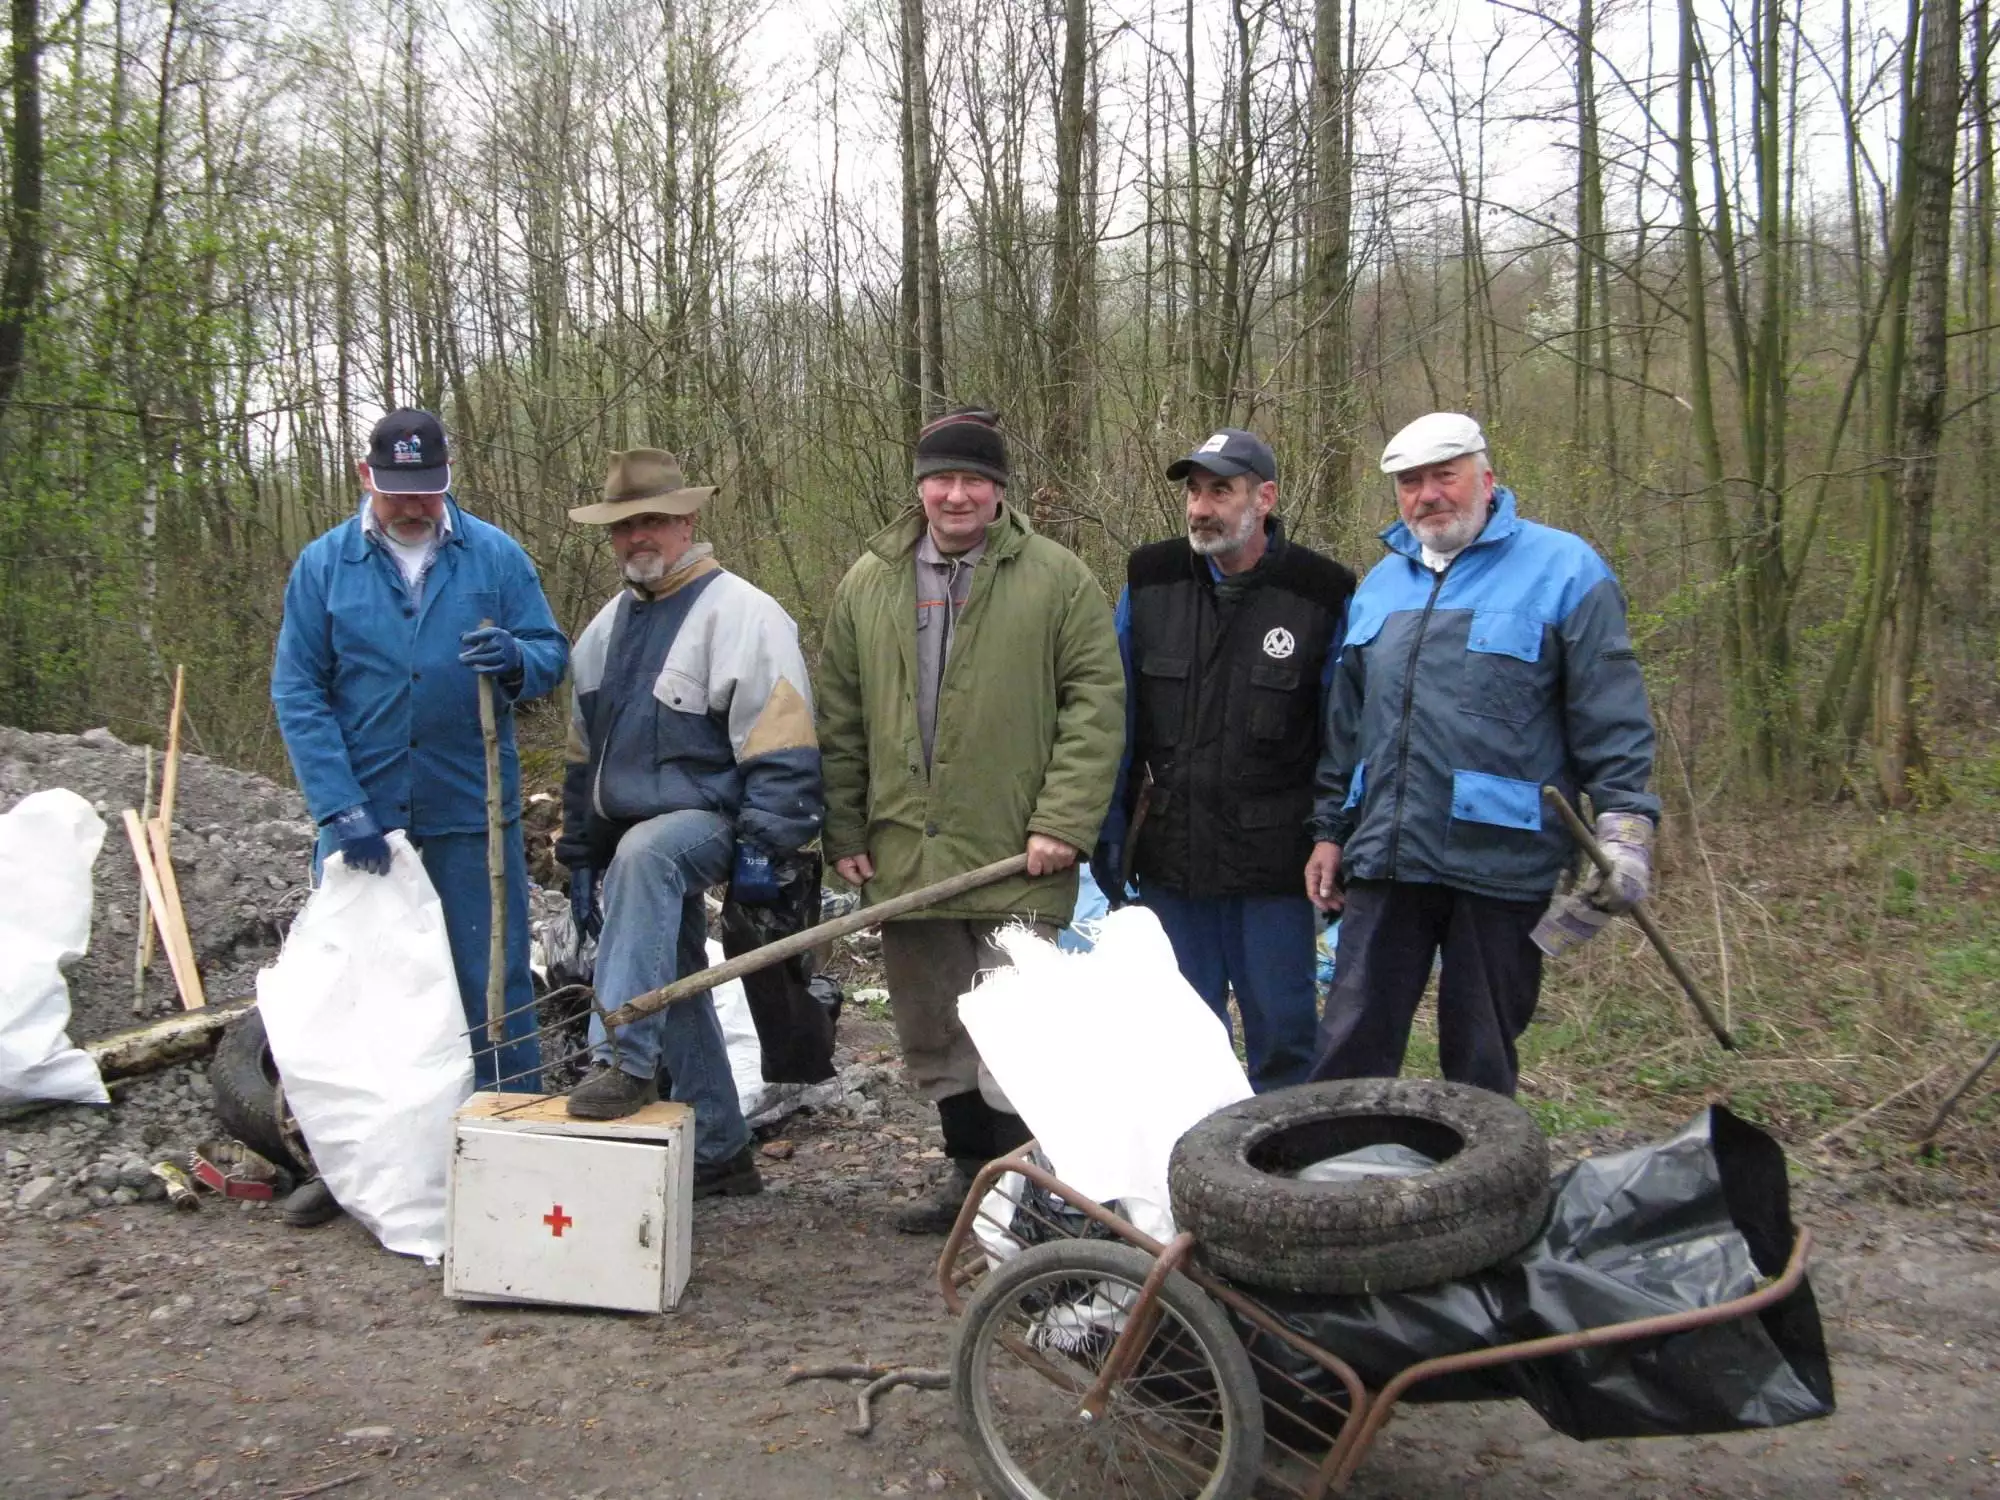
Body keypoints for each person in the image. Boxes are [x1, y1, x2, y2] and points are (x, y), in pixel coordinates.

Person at [818, 407, 1124, 1233]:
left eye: (974, 481)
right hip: (904, 851)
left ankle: (1028, 1195)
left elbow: (1096, 707)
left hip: (1017, 855)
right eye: (941, 479)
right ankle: (967, 1181)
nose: (956, 495)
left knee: (1017, 1030)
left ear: (999, 492)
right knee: (934, 1028)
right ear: (919, 487)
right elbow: (840, 716)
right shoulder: (868, 582)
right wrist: (843, 829)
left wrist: (1061, 820)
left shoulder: (1058, 579)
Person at [271, 408, 569, 1225]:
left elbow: (551, 653)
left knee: (491, 980)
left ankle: (512, 1146)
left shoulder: (495, 557)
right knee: (361, 996)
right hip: (363, 815)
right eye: (399, 492)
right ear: (366, 478)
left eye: (428, 492)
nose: (414, 507)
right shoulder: (325, 567)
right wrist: (340, 805)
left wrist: (517, 661)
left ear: (446, 482)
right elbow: (298, 691)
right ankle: (351, 1169)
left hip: (473, 811)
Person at [1305, 412, 1658, 1098]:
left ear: (1486, 478)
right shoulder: (1380, 585)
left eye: (1446, 475)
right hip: (1387, 857)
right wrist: (1328, 831)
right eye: (1411, 482)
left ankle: (1483, 1196)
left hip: (1501, 864)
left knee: (1481, 1059)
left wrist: (1626, 829)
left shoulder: (1565, 570)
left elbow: (1610, 711)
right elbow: (1347, 729)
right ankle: (1333, 1184)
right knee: (1349, 1043)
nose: (1429, 495)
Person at [556, 449, 823, 1200]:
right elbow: (585, 764)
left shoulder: (741, 613)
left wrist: (768, 848)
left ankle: (624, 1056)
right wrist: (579, 856)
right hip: (642, 837)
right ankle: (718, 1144)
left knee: (645, 855)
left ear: (687, 521)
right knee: (669, 972)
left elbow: (783, 739)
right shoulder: (604, 632)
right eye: (624, 526)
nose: (638, 537)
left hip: (719, 819)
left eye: (653, 521)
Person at [1093, 428, 1354, 1092]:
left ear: (1263, 498)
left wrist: (1332, 834)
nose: (1200, 509)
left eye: (1220, 491)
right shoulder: (1150, 579)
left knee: (1285, 1037)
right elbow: (1114, 715)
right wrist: (1109, 831)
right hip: (1170, 861)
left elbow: (1342, 737)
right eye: (1193, 492)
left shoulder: (1321, 594)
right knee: (1182, 1039)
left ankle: (1282, 1178)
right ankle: (1189, 1182)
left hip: (1272, 869)